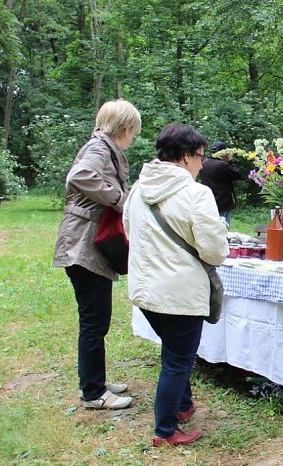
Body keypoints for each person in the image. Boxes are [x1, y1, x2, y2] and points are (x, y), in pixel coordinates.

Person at [123, 123, 229, 446]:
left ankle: (182, 406)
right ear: (185, 157)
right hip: (180, 295)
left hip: (145, 292)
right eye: (199, 157)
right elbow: (215, 251)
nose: (201, 164)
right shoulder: (196, 194)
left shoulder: (139, 189)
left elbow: (128, 227)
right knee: (178, 360)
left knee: (174, 353)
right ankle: (165, 431)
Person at [53, 99, 141, 410]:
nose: (133, 137)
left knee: (96, 320)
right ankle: (93, 393)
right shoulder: (99, 149)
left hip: (86, 245)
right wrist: (120, 199)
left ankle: (94, 380)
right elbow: (79, 177)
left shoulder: (103, 147)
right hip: (81, 246)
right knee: (94, 321)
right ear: (126, 128)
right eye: (133, 131)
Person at [200, 140, 241, 226]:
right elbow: (238, 174)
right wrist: (231, 160)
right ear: (224, 152)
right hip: (223, 202)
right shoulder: (223, 165)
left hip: (208, 201)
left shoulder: (204, 163)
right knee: (223, 228)